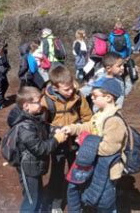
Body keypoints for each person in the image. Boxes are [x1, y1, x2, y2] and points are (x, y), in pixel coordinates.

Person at [62, 78, 128, 213]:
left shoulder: (114, 120)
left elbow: (109, 148)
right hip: (95, 162)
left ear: (109, 97)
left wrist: (85, 145)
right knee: (95, 192)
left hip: (108, 167)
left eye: (95, 96)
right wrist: (73, 129)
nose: (91, 98)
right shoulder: (100, 114)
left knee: (106, 198)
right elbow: (89, 126)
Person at [6, 86, 68, 212]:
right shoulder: (24, 127)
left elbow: (43, 128)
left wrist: (55, 130)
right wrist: (57, 139)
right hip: (28, 168)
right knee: (31, 200)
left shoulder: (33, 118)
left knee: (37, 194)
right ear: (26, 106)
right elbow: (40, 148)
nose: (41, 104)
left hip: (35, 166)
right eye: (38, 102)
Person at [41, 65, 92, 212]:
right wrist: (54, 131)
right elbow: (42, 124)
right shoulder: (46, 101)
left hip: (76, 141)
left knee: (77, 171)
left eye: (71, 87)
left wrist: (79, 129)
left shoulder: (78, 97)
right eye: (66, 89)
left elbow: (88, 117)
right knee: (57, 173)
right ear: (56, 88)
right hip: (57, 143)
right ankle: (56, 204)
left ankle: (76, 201)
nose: (71, 91)